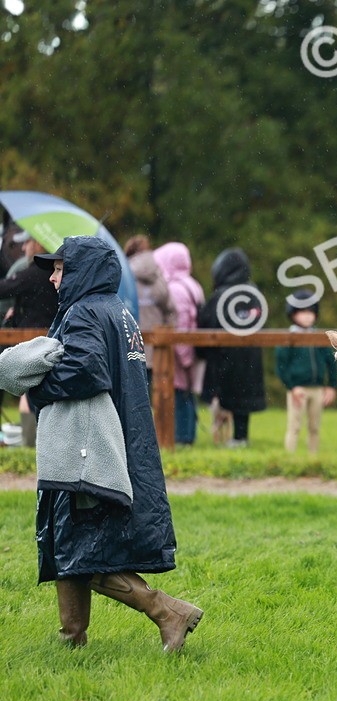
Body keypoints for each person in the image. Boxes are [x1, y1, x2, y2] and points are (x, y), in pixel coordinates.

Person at [10, 236, 201, 651]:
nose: (54, 279)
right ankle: (72, 639)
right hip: (115, 439)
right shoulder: (118, 311)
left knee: (80, 548)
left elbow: (84, 371)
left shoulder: (82, 312)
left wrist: (36, 393)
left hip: (85, 446)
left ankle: (168, 611)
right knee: (70, 542)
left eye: (60, 269)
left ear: (83, 271)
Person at [198, 247, 266, 447]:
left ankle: (223, 438)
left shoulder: (220, 296)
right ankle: (240, 437)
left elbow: (206, 324)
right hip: (250, 358)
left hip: (223, 358)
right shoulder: (254, 293)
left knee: (223, 397)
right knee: (243, 399)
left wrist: (202, 353)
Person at [0, 232, 62, 446]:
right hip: (52, 338)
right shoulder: (56, 274)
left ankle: (29, 442)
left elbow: (6, 288)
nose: (24, 248)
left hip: (31, 342)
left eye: (27, 243)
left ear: (37, 244)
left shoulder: (34, 272)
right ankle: (38, 440)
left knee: (28, 392)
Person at [275, 290, 337, 454]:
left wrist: (331, 386)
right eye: (302, 312)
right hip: (298, 389)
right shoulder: (289, 337)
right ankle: (290, 457)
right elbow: (281, 366)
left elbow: (331, 362)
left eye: (310, 312)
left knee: (314, 427)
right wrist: (292, 386)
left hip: (317, 389)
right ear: (293, 314)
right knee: (294, 426)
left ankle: (313, 458)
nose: (307, 316)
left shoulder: (319, 337)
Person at [155, 242, 205, 445]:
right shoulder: (192, 284)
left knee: (179, 394)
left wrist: (184, 356)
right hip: (192, 349)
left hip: (179, 353)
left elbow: (181, 323)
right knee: (186, 393)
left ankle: (182, 438)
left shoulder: (175, 288)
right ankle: (186, 436)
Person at [129, 247, 176, 388]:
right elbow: (171, 311)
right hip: (158, 347)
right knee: (160, 396)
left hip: (131, 345)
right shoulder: (160, 281)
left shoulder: (126, 278)